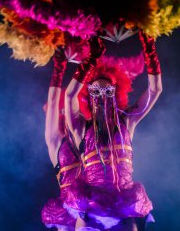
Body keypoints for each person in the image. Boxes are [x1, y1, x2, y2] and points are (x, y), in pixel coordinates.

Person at [63, 30, 163, 230]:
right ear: (88, 96)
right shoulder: (82, 127)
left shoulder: (126, 122)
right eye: (95, 91)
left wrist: (149, 47)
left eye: (107, 91)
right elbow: (69, 97)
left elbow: (155, 90)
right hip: (92, 206)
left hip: (125, 204)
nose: (101, 96)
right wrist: (90, 60)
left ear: (115, 94)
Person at [41, 48, 81, 231]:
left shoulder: (87, 136)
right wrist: (59, 68)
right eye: (62, 110)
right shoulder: (55, 140)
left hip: (93, 206)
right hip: (69, 212)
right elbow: (53, 98)